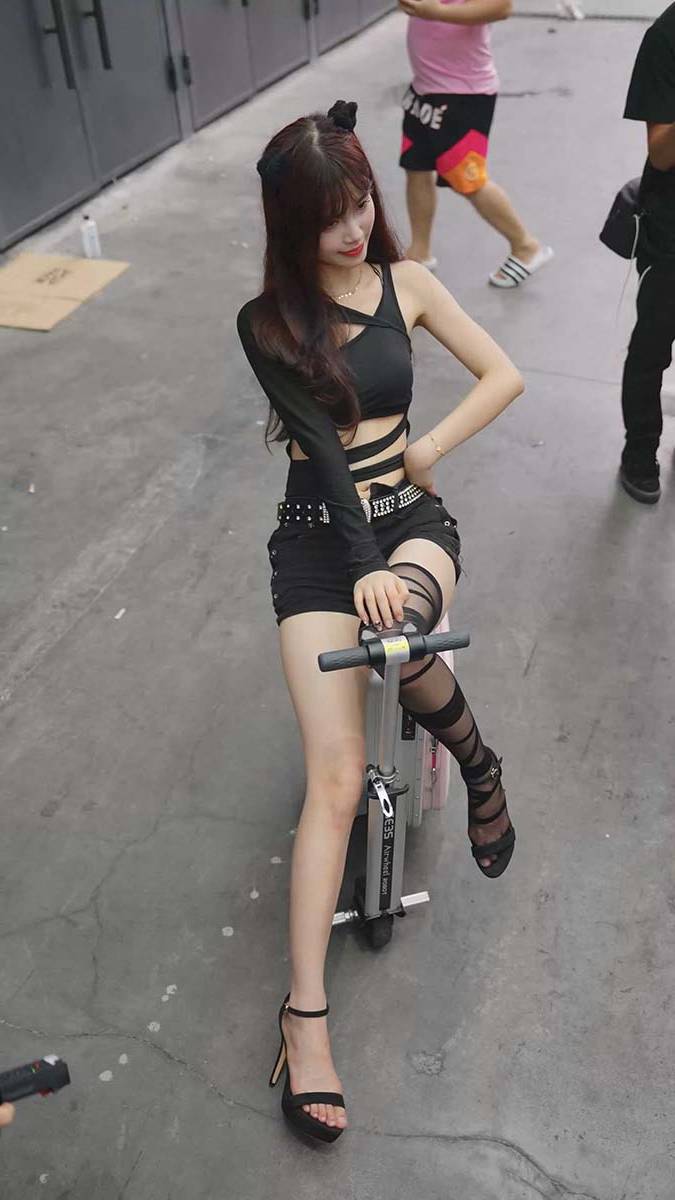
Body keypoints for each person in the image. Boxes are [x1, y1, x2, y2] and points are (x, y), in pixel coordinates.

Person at [237, 100, 522, 1144]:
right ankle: (304, 1019)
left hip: (409, 523)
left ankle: (477, 764)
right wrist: (354, 566)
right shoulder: (267, 323)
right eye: (329, 216)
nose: (354, 227)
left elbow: (504, 373)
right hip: (319, 540)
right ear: (290, 225)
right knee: (333, 778)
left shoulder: (409, 284)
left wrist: (428, 446)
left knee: (400, 622)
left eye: (360, 202)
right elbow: (318, 452)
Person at [398, 0, 553, 287]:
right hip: (425, 86)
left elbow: (501, 6)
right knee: (416, 167)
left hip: (463, 94)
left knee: (467, 179)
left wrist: (436, 12)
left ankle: (526, 246)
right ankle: (419, 252)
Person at [620, 2, 675, 504]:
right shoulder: (666, 35)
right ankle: (640, 451)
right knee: (652, 347)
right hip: (671, 226)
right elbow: (661, 151)